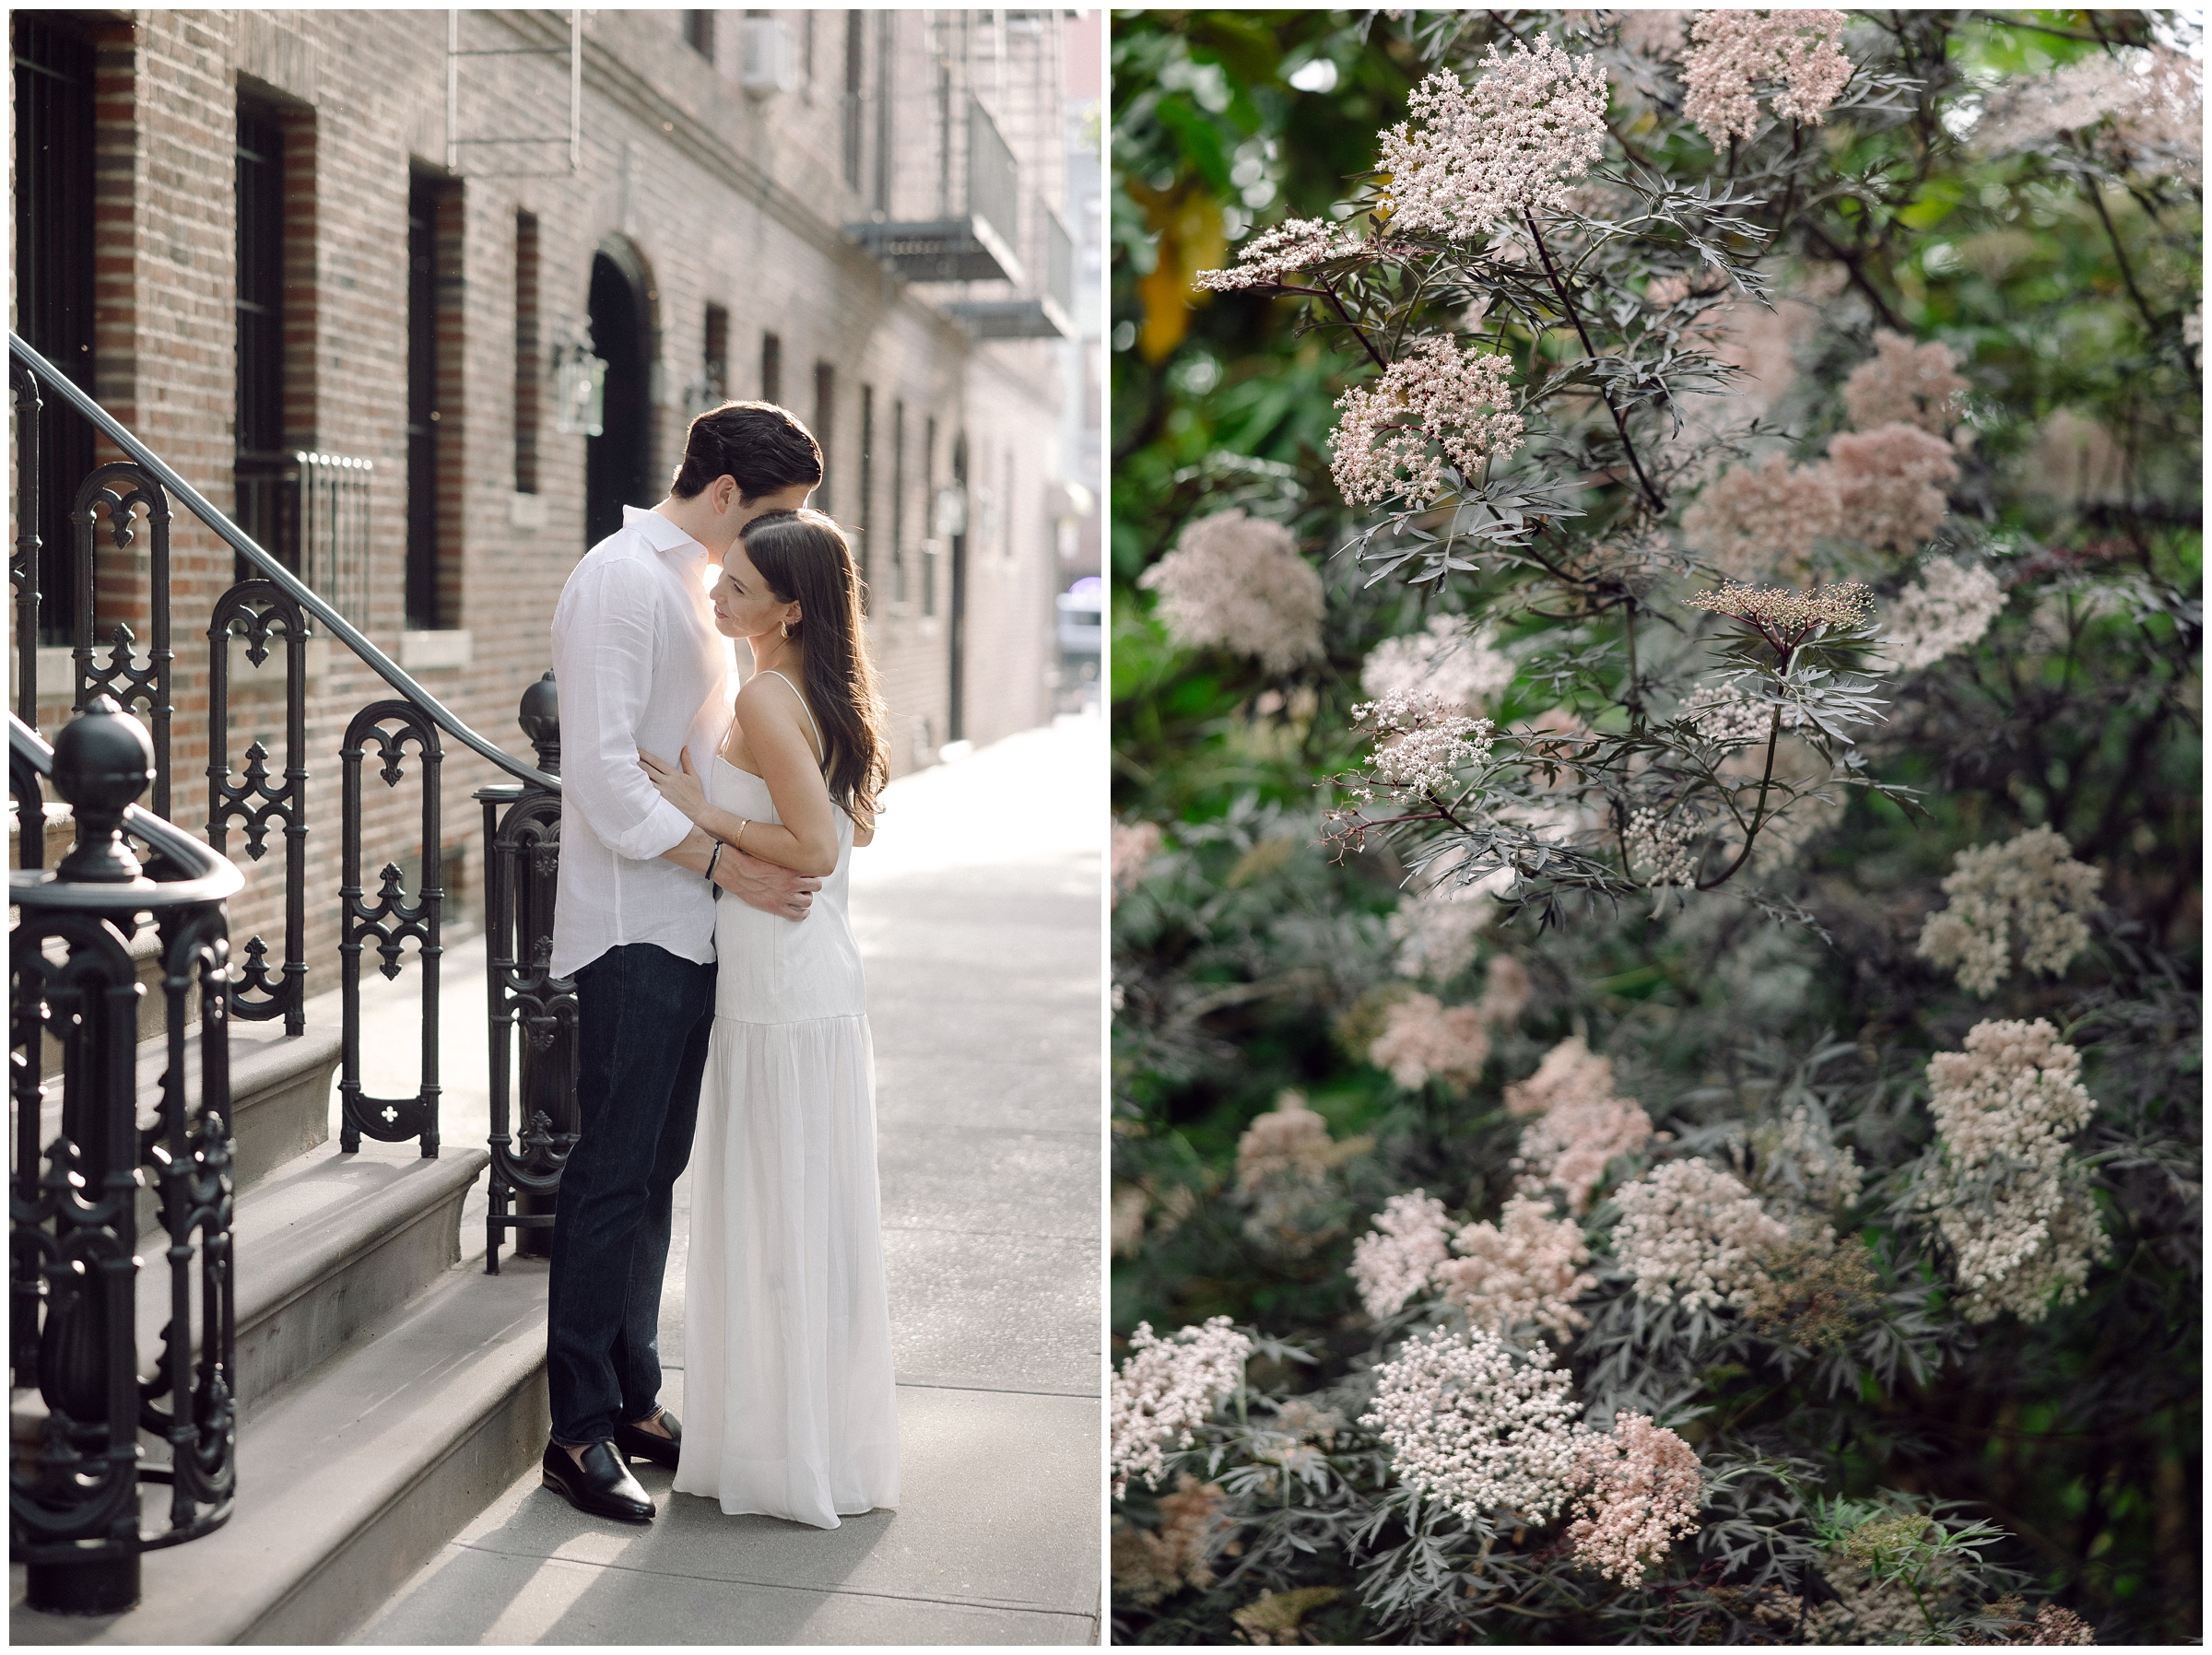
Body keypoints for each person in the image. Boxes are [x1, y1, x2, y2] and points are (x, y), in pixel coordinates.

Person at [541, 403, 823, 1525]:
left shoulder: (706, 585)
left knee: (655, 1173)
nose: (785, 535)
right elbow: (604, 780)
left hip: (695, 919)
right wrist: (728, 862)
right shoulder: (619, 580)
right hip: (632, 924)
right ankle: (574, 1430)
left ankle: (633, 1394)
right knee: (609, 1175)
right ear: (722, 494)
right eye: (778, 513)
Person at [637, 507, 900, 1528]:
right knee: (795, 1207)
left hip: (784, 978)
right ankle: (799, 1440)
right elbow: (847, 823)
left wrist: (701, 810)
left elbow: (818, 848)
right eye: (723, 577)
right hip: (805, 972)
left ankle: (786, 1453)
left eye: (738, 587)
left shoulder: (770, 691)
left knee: (778, 1210)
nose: (717, 595)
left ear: (791, 608)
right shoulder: (823, 690)